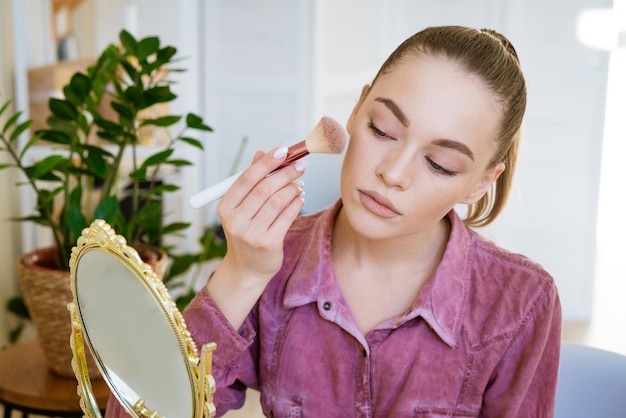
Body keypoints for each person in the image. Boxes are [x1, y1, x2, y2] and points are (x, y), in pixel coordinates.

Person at [107, 25, 561, 417]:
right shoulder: (272, 264)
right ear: (357, 108)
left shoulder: (521, 303)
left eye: (439, 164)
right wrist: (240, 274)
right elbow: (139, 413)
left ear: (480, 184)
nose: (393, 173)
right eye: (382, 130)